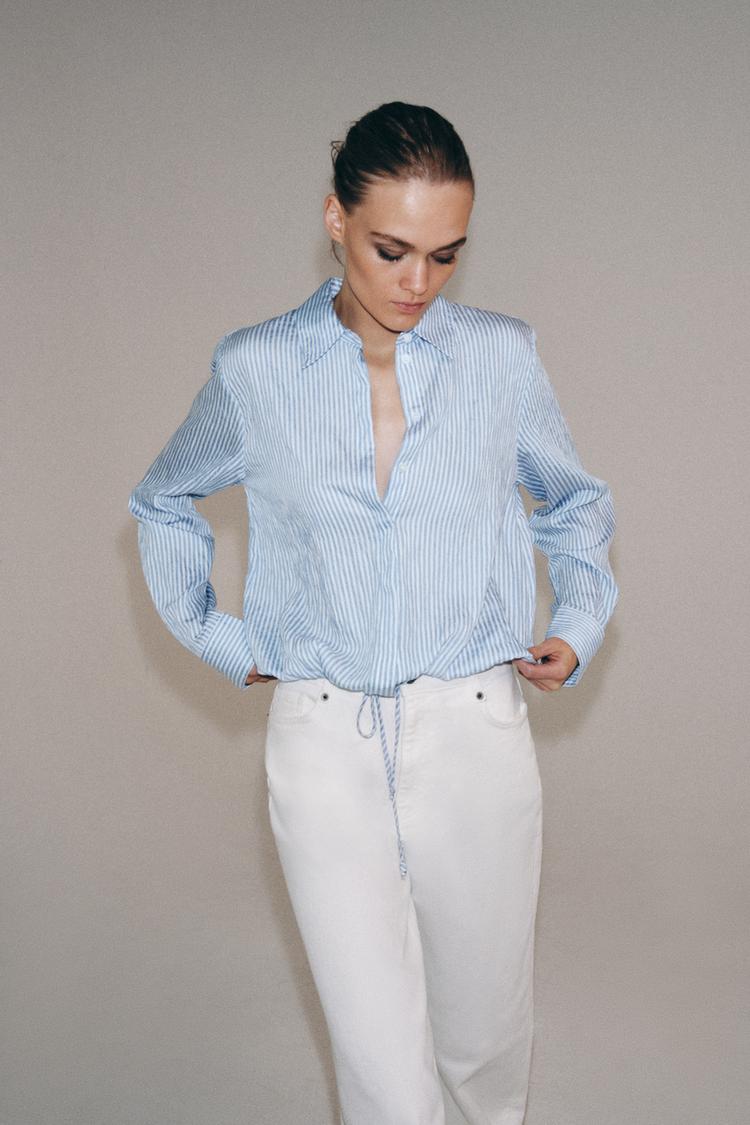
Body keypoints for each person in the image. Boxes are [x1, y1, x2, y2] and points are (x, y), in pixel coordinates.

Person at [128, 101, 618, 1125]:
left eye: (445, 255)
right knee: (382, 1078)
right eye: (392, 249)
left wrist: (577, 620)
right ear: (335, 219)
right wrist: (222, 637)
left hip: (475, 729)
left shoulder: (501, 357)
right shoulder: (256, 369)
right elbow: (162, 498)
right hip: (323, 743)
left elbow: (573, 500)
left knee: (484, 1052)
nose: (417, 283)